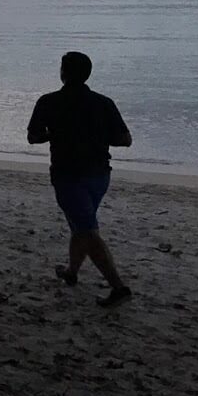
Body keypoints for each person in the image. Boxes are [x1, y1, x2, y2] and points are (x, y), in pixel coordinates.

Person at [28, 51, 132, 308]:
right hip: (99, 175)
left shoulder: (48, 102)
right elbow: (125, 139)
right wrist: (97, 136)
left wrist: (56, 134)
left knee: (86, 229)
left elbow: (33, 137)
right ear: (88, 74)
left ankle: (119, 288)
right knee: (81, 225)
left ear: (63, 72)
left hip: (68, 176)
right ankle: (72, 272)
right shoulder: (103, 103)